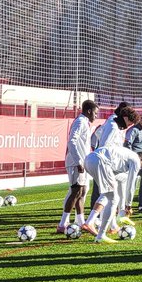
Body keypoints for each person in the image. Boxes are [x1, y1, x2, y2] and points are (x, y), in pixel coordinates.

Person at [83, 106, 139, 233]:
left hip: (104, 161)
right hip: (104, 162)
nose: (130, 125)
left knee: (112, 195)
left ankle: (112, 225)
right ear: (125, 117)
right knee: (109, 195)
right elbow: (105, 144)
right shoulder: (113, 125)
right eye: (130, 122)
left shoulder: (115, 124)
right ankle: (91, 222)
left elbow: (99, 135)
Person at [59, 99, 98, 233]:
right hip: (77, 163)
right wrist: (78, 161)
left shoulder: (85, 122)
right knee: (76, 191)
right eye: (95, 113)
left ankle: (81, 222)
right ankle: (63, 224)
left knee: (82, 191)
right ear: (89, 111)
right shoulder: (80, 122)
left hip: (83, 162)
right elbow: (72, 141)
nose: (96, 116)